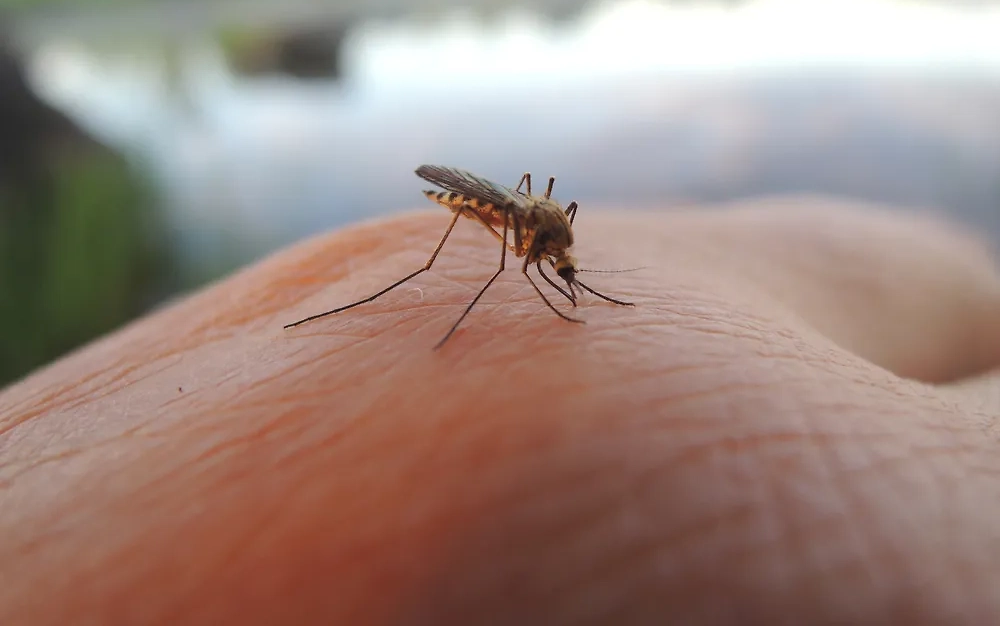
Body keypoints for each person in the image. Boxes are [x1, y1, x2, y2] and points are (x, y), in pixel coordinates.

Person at [2, 196, 999, 625]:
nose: (556, 263)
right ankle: (418, 287)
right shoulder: (527, 230)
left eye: (558, 262)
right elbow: (523, 247)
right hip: (485, 208)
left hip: (520, 214)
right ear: (551, 241)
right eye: (559, 262)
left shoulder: (552, 238)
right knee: (475, 262)